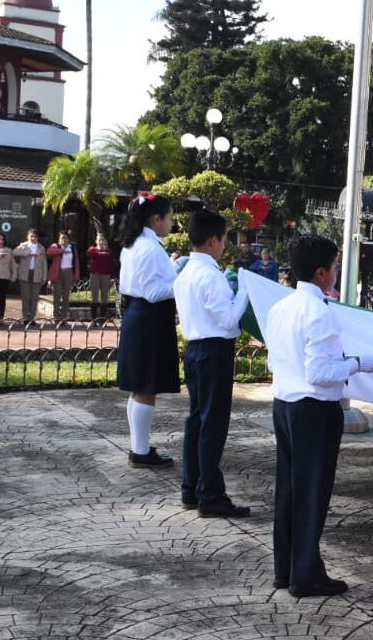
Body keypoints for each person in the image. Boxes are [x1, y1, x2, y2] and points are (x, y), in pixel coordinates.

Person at [268, 234, 373, 598]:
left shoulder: (280, 307)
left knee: (289, 489)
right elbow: (320, 372)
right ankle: (306, 573)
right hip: (313, 408)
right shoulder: (319, 312)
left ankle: (286, 568)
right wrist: (358, 364)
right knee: (312, 493)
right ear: (320, 273)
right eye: (334, 266)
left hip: (285, 403)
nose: (336, 272)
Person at [173, 210, 251, 518]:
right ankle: (210, 494)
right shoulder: (210, 276)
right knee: (212, 424)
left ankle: (191, 487)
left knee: (197, 421)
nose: (224, 245)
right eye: (223, 239)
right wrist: (244, 289)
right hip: (214, 351)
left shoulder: (187, 273)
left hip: (195, 349)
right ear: (212, 240)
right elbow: (230, 320)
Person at [117, 193, 179, 469]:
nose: (172, 222)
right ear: (157, 219)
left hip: (139, 315)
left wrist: (175, 267)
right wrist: (183, 281)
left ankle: (138, 446)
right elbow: (154, 292)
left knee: (139, 388)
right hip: (149, 317)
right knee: (145, 387)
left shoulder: (135, 243)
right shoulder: (150, 248)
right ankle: (140, 452)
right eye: (170, 217)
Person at [12, 228, 47, 323]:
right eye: (31, 236)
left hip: (36, 274)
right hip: (25, 274)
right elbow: (14, 252)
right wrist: (27, 253)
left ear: (37, 238)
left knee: (34, 298)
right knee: (26, 297)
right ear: (28, 237)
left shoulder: (41, 248)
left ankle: (32, 318)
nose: (33, 238)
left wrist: (44, 277)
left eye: (35, 236)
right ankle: (25, 318)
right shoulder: (23, 246)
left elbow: (44, 263)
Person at [47, 231, 80, 321]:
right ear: (59, 239)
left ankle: (64, 318)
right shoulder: (56, 246)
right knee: (56, 296)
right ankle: (56, 317)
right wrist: (62, 251)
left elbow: (76, 262)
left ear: (68, 239)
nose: (64, 239)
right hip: (58, 272)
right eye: (62, 238)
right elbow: (49, 252)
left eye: (65, 238)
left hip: (68, 272)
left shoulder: (72, 248)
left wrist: (76, 275)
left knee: (66, 297)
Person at [86, 233, 115, 320]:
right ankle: (93, 318)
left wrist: (103, 251)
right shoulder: (92, 249)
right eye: (99, 240)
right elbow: (89, 254)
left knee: (104, 297)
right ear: (96, 241)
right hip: (95, 275)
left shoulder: (109, 251)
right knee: (94, 296)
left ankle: (102, 319)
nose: (101, 241)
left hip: (106, 275)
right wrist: (99, 250)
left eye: (102, 240)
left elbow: (111, 262)